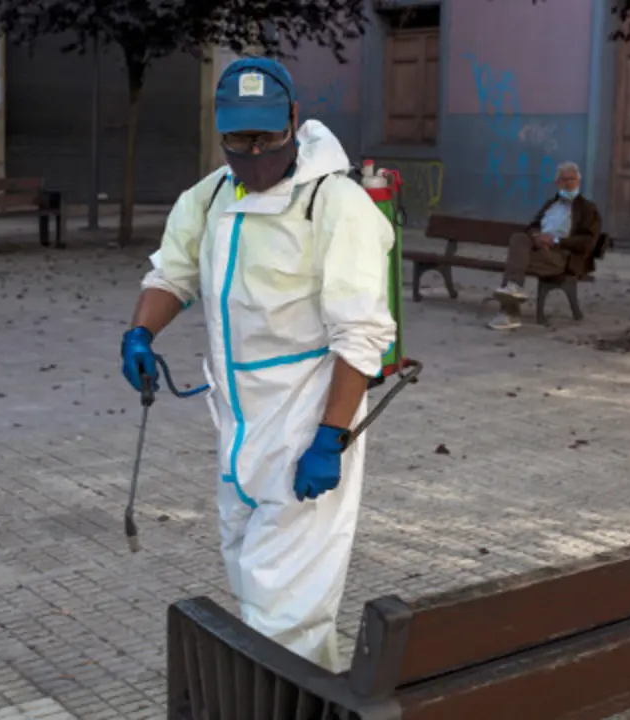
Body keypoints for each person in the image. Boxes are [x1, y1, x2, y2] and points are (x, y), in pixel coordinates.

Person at [120, 57, 396, 671]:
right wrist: (140, 332)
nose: (251, 153)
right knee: (252, 581)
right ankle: (304, 698)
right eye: (237, 139)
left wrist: (331, 438)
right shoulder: (211, 196)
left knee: (285, 610)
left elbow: (361, 334)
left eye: (265, 138)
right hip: (237, 425)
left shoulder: (335, 204)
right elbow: (174, 272)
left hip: (307, 422)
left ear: (293, 121)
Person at [489, 161, 602, 330]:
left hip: (561, 255)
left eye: (572, 179)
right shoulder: (551, 204)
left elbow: (587, 242)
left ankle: (509, 311)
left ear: (579, 182)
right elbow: (532, 226)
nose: (569, 183)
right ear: (557, 183)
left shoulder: (587, 208)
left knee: (516, 263)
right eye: (564, 180)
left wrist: (555, 241)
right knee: (519, 239)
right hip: (539, 249)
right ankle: (513, 289)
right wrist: (537, 236)